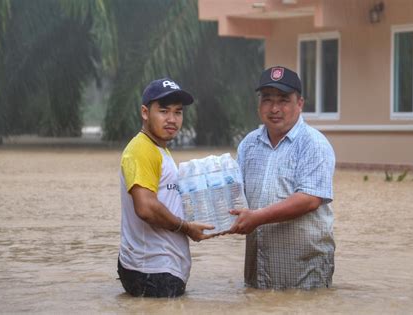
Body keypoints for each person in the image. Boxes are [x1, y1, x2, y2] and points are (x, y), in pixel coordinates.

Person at [229, 66, 336, 290]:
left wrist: (256, 217)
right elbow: (235, 194)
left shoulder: (313, 144)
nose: (275, 108)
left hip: (304, 272)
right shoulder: (249, 144)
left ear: (300, 103)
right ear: (259, 104)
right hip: (258, 270)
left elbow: (309, 199)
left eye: (284, 100)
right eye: (267, 99)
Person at [117, 78, 214, 298]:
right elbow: (146, 208)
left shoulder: (158, 149)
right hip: (152, 270)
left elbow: (166, 198)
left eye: (178, 112)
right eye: (163, 111)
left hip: (157, 267)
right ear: (145, 112)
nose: (172, 119)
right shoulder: (141, 149)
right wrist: (186, 227)